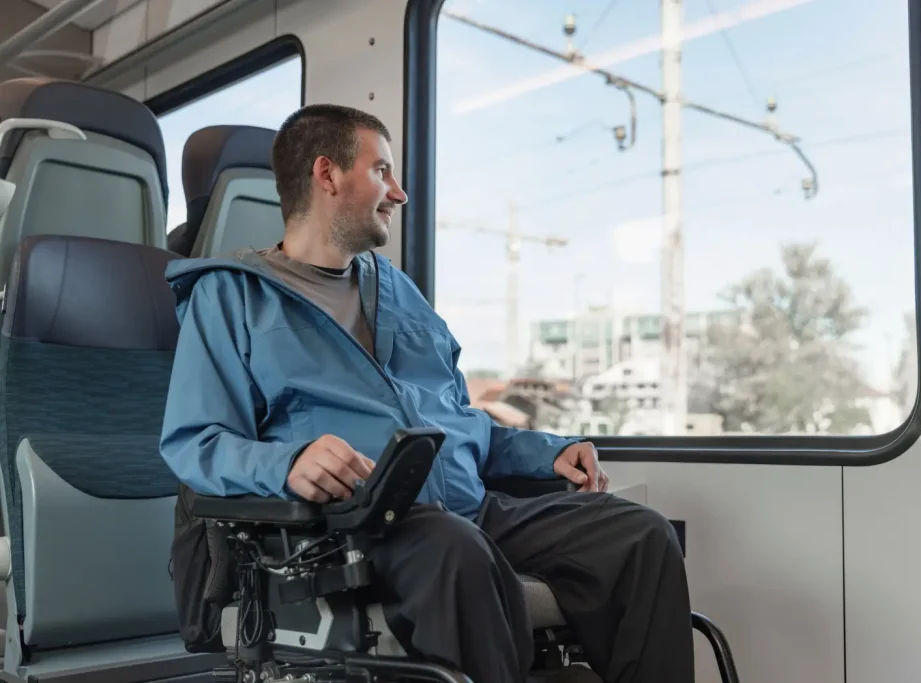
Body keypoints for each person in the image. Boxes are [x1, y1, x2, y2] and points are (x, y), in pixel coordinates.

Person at [160, 104, 695, 683]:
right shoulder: (230, 295)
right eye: (382, 170)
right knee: (454, 549)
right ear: (328, 174)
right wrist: (287, 461)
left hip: (471, 509)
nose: (399, 192)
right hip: (347, 531)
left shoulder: (396, 289)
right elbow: (195, 442)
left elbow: (458, 420)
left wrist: (546, 453)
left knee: (640, 533)